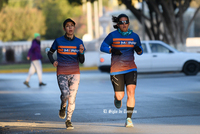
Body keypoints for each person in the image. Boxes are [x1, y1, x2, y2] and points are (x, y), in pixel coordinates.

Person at [100, 14, 143, 127]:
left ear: (128, 23)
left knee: (131, 92)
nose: (124, 24)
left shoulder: (135, 36)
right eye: (121, 22)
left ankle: (129, 119)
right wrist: (112, 50)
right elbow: (102, 47)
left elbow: (140, 51)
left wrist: (139, 49)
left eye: (126, 22)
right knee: (120, 96)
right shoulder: (112, 36)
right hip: (116, 69)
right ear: (118, 24)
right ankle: (116, 98)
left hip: (131, 68)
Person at [47, 18, 85, 129]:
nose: (70, 28)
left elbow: (82, 61)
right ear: (64, 28)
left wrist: (81, 53)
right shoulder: (58, 41)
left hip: (75, 73)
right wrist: (53, 61)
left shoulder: (79, 42)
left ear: (74, 27)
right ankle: (63, 106)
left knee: (72, 98)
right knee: (65, 94)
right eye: (67, 26)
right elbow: (50, 53)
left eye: (72, 26)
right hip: (62, 72)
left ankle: (68, 120)